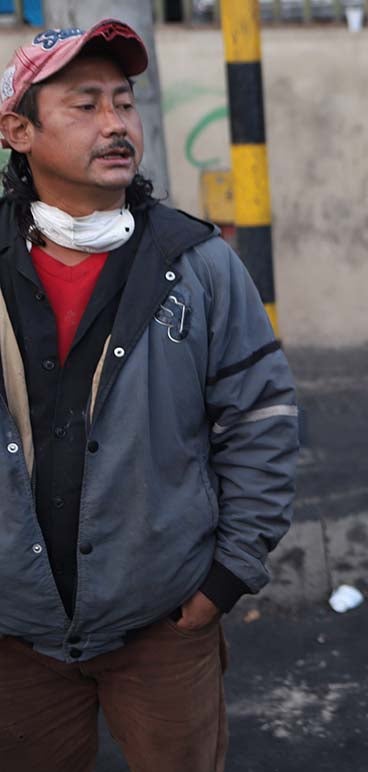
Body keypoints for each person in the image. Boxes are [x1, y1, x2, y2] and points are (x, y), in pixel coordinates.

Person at [0, 20, 298, 771]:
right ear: (18, 130)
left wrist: (224, 580)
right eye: (85, 105)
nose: (116, 125)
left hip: (163, 626)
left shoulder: (197, 262)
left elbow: (263, 417)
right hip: (14, 636)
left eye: (125, 103)